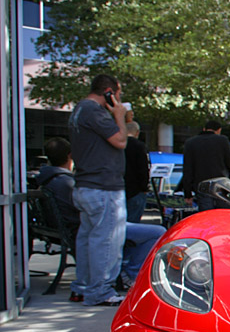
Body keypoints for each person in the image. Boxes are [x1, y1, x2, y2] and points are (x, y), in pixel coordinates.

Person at [38, 137, 165, 298]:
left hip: (74, 227)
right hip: (90, 226)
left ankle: (124, 270)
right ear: (71, 156)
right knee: (157, 231)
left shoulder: (50, 180)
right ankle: (130, 272)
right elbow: (94, 214)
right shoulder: (67, 183)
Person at [67, 75, 128, 306]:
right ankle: (101, 291)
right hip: (104, 187)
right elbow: (120, 140)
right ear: (109, 92)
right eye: (118, 94)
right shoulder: (96, 112)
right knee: (107, 241)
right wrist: (119, 116)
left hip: (85, 185)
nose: (119, 99)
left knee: (87, 239)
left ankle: (82, 287)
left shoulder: (78, 111)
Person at [182, 119, 230, 212]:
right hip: (221, 185)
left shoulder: (190, 142)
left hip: (201, 185)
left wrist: (187, 194)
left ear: (204, 129)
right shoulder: (223, 140)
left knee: (206, 215)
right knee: (222, 215)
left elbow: (187, 170)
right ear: (219, 130)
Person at [124, 121, 150, 223]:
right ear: (137, 132)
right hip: (136, 190)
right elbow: (143, 169)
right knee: (133, 223)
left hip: (120, 188)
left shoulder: (118, 145)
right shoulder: (139, 146)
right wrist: (144, 187)